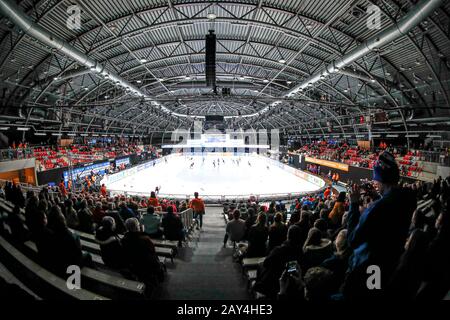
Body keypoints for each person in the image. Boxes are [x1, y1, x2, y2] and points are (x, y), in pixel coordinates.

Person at [343, 151, 417, 300]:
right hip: (392, 259)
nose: (374, 183)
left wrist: (354, 204)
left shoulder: (375, 209)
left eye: (376, 179)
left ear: (382, 179)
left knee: (371, 294)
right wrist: (374, 204)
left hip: (372, 267)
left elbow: (352, 240)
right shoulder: (409, 198)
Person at [253, 225, 303, 299]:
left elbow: (266, 263)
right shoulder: (300, 252)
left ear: (288, 235)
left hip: (274, 282)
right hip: (290, 282)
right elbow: (291, 269)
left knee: (260, 264)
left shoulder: (278, 250)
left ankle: (258, 285)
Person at [121, 218, 164, 287]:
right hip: (146, 264)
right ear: (136, 227)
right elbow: (153, 251)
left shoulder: (124, 239)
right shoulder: (144, 238)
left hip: (134, 264)